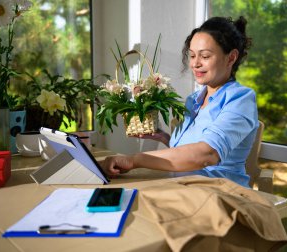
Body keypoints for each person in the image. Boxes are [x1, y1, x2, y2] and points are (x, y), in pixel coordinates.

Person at [101, 16, 259, 187]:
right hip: (182, 185)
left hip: (219, 193)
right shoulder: (194, 100)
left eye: (205, 56)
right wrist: (164, 137)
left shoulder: (241, 99)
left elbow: (206, 155)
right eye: (192, 56)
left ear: (231, 58)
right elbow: (191, 148)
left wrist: (134, 160)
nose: (195, 64)